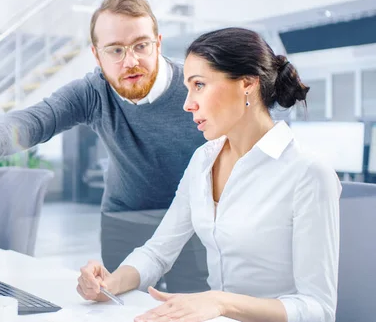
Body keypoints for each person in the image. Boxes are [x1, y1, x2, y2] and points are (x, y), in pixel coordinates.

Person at [77, 27, 341, 322]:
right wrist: (109, 285)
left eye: (199, 85)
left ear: (247, 84)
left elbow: (318, 308)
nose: (187, 103)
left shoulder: (308, 173)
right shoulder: (203, 160)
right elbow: (157, 252)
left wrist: (221, 303)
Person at [0, 0, 210, 293]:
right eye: (115, 50)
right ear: (96, 54)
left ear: (158, 43)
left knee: (190, 303)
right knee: (119, 303)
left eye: (141, 45)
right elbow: (37, 119)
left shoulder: (196, 88)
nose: (130, 61)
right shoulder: (93, 92)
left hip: (191, 218)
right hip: (125, 214)